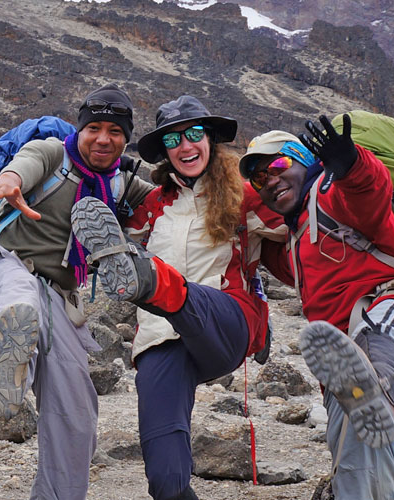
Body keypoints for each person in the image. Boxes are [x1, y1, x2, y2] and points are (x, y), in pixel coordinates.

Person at [66, 96, 280, 500]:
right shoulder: (150, 206)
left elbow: (302, 227)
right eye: (174, 139)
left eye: (195, 134)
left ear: (211, 140)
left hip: (226, 323)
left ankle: (150, 279)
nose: (186, 146)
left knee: (169, 287)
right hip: (161, 337)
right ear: (165, 152)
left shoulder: (245, 197)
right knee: (165, 478)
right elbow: (97, 235)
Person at [0, 84, 155, 500]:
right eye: (94, 128)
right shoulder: (51, 153)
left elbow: (167, 201)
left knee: (76, 413)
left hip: (57, 300)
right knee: (19, 296)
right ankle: (3, 379)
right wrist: (9, 180)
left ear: (126, 137)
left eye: (115, 131)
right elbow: (23, 165)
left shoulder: (122, 182)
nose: (103, 138)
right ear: (79, 130)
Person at [241, 119, 394, 500]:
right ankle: (368, 396)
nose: (269, 181)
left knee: (375, 340)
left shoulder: (329, 193)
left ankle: (377, 385)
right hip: (342, 371)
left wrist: (351, 163)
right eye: (259, 179)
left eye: (276, 167)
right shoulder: (294, 241)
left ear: (305, 159)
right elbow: (241, 219)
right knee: (357, 468)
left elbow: (369, 191)